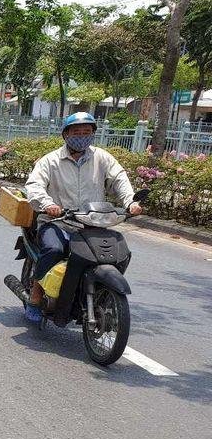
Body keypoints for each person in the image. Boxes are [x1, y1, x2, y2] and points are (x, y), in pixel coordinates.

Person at [22, 111, 143, 323]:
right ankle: (36, 293)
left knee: (120, 253)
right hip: (58, 221)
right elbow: (34, 185)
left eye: (86, 132)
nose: (82, 136)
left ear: (93, 134)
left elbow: (119, 179)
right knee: (55, 250)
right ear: (65, 135)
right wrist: (48, 204)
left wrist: (131, 202)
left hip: (92, 222)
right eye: (76, 132)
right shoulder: (50, 161)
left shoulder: (102, 158)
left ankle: (100, 292)